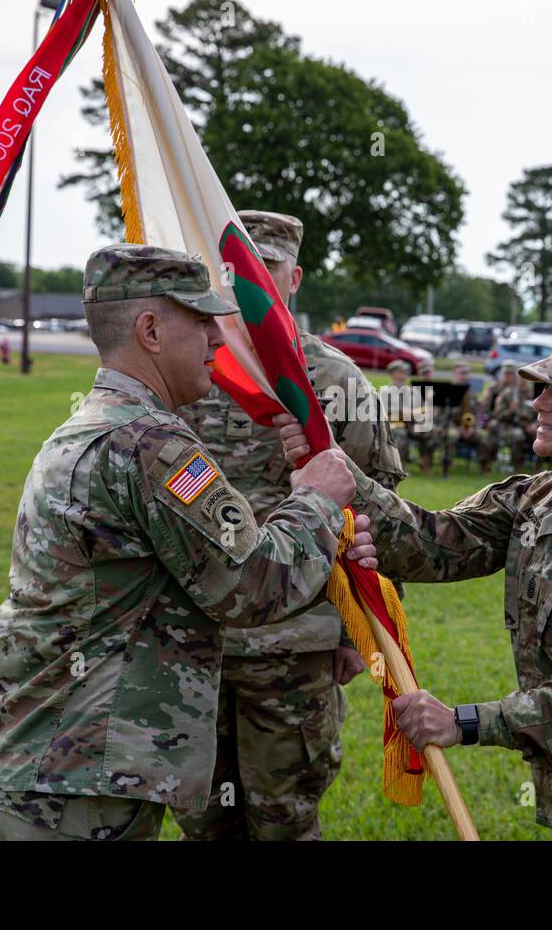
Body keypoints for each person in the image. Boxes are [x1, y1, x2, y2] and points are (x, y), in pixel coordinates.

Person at [0, 244, 374, 841]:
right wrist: (315, 497)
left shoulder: (92, 423)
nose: (218, 337)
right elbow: (251, 585)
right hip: (80, 780)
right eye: (202, 320)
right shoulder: (149, 444)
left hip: (47, 760)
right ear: (150, 330)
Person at [280, 327, 552, 840]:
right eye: (541, 388)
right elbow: (433, 543)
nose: (539, 404)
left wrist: (463, 722)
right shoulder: (540, 497)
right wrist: (335, 466)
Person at [173, 211, 405, 841]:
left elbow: (378, 517)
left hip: (293, 645)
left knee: (284, 820)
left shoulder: (333, 381)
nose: (241, 284)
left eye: (260, 270)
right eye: (228, 271)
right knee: (203, 819)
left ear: (293, 278)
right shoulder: (186, 369)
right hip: (193, 637)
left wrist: (359, 635)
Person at [439, 363, 492, 476]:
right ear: (455, 374)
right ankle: (446, 467)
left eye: (467, 373)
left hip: (469, 426)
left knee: (484, 436)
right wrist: (458, 427)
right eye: (462, 373)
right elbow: (442, 415)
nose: (465, 376)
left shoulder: (471, 393)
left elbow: (475, 413)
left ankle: (483, 467)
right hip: (451, 425)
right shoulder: (447, 391)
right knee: (452, 435)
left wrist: (471, 428)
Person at [488, 362, 538, 472]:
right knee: (518, 436)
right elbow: (498, 414)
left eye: (527, 377)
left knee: (542, 435)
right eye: (521, 377)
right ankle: (517, 466)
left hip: (529, 426)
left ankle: (539, 467)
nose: (523, 380)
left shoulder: (533, 395)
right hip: (510, 425)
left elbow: (540, 413)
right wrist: (510, 410)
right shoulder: (508, 393)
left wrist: (535, 424)